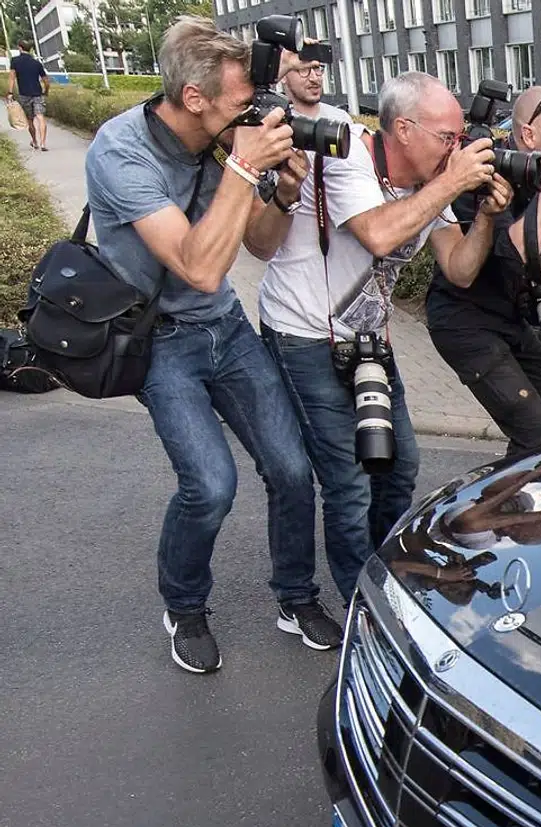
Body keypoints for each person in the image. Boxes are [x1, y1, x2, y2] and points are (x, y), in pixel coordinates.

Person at [84, 17, 335, 673]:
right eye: (241, 102)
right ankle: (186, 606)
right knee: (210, 485)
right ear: (194, 97)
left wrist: (283, 193)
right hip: (160, 341)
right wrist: (245, 165)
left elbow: (259, 245)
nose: (253, 114)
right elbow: (198, 266)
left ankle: (295, 597)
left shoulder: (224, 140)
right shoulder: (121, 153)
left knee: (291, 468)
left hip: (225, 325)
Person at [248, 71, 510, 603]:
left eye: (460, 139)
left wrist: (484, 216)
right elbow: (379, 234)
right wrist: (452, 181)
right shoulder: (349, 154)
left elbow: (460, 270)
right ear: (404, 129)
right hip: (304, 335)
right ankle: (360, 603)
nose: (456, 149)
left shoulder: (429, 183)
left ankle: (386, 568)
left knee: (399, 465)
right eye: (448, 137)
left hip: (368, 340)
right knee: (348, 483)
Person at [427, 84, 541, 458]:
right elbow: (512, 253)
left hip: (510, 317)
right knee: (536, 432)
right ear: (529, 136)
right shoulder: (487, 171)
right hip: (465, 323)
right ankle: (501, 496)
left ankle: (540, 494)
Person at [279, 47, 350, 127]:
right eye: (303, 69)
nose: (314, 78)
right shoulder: (277, 124)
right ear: (283, 76)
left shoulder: (341, 119)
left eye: (317, 68)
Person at [7, 40, 49, 151]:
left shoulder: (15, 61)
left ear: (20, 48)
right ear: (30, 49)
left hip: (24, 94)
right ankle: (43, 144)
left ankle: (35, 142)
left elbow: (12, 78)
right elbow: (46, 81)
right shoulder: (37, 63)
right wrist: (46, 91)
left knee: (30, 119)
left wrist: (10, 93)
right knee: (40, 117)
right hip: (38, 94)